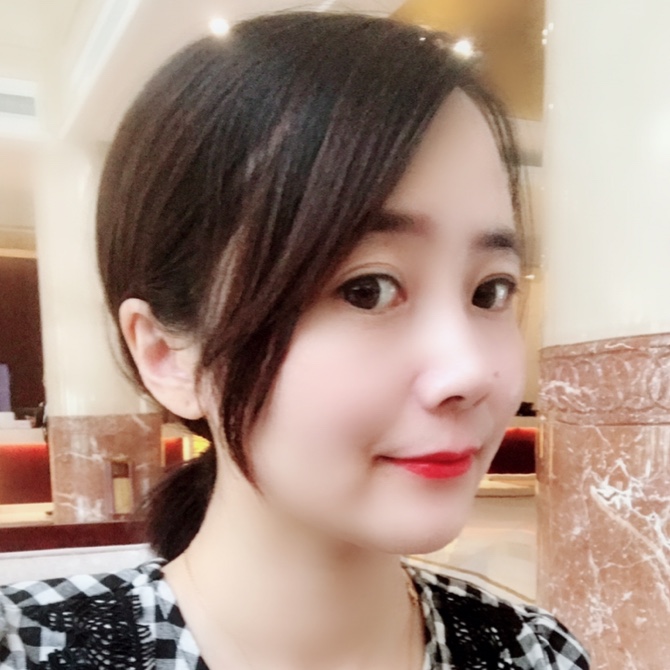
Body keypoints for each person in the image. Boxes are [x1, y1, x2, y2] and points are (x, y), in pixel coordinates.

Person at [0, 12, 590, 670]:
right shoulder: (30, 650)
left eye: (490, 291)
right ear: (168, 354)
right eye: (367, 289)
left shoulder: (535, 654)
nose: (470, 371)